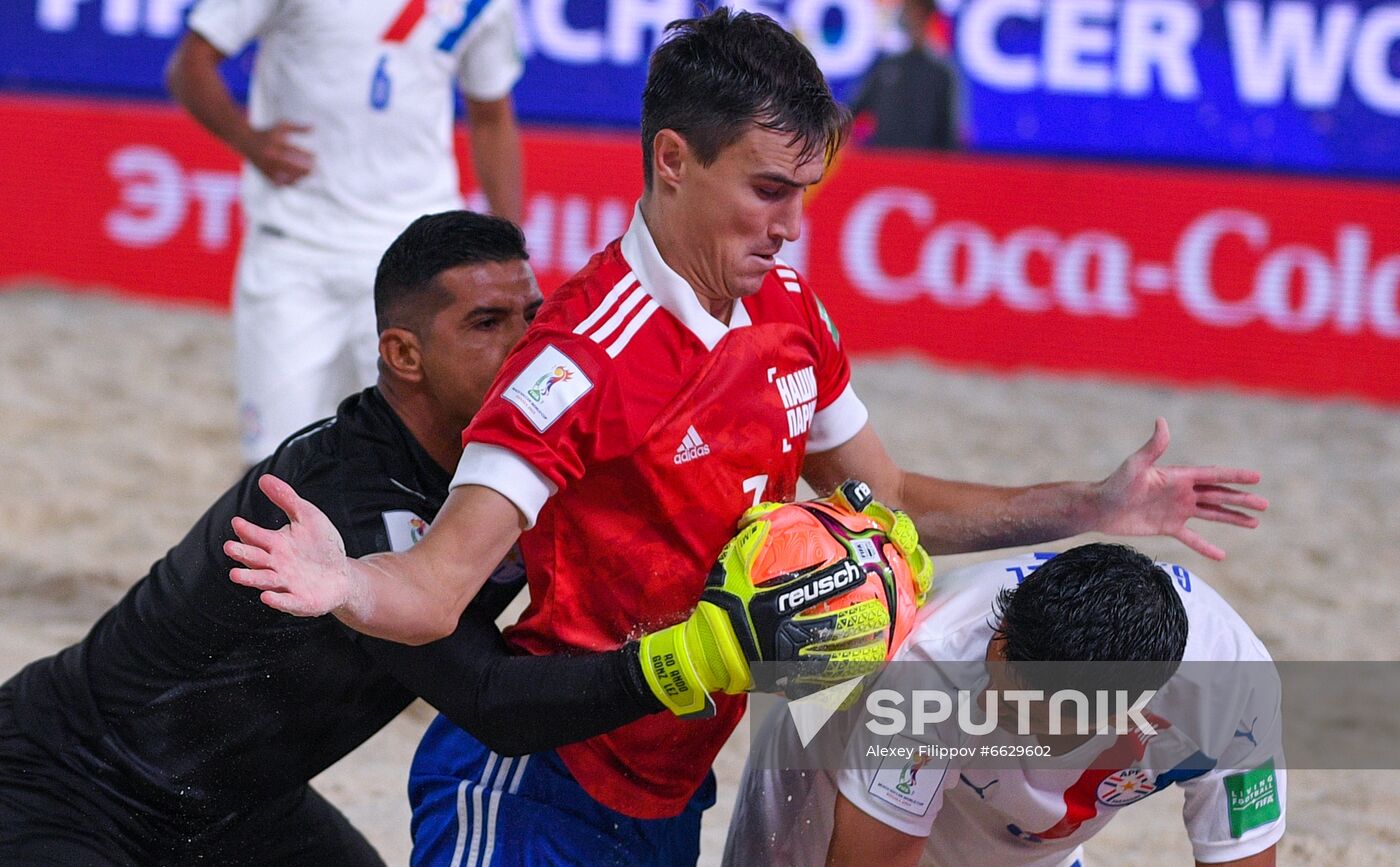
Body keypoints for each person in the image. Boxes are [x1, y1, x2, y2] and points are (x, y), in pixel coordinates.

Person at [225, 9, 1268, 865]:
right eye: (766, 189)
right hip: (537, 785)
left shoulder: (788, 313)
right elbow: (434, 590)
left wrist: (1085, 507)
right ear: (672, 160)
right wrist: (344, 581)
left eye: (802, 194)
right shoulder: (577, 360)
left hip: (672, 789)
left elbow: (887, 498)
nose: (787, 224)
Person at [0, 211, 736, 865]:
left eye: (532, 314)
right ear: (403, 355)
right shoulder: (340, 498)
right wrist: (689, 658)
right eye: (487, 323)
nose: (528, 342)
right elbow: (492, 701)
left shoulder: (518, 464)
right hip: (70, 782)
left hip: (242, 806)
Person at [724, 543, 1285, 867]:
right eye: (1000, 684)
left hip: (1023, 846)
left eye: (1022, 716)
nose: (989, 711)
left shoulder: (1236, 690)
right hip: (829, 787)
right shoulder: (933, 669)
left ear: (1121, 716)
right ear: (1003, 633)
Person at [166, 0, 524, 463]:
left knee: (420, 459)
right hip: (294, 246)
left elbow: (492, 117)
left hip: (418, 259)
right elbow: (188, 66)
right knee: (274, 464)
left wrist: (509, 251)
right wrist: (248, 140)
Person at [850, 0, 961, 151]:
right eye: (909, 12)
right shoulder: (887, 66)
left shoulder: (942, 73)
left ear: (929, 17)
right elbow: (853, 109)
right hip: (883, 162)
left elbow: (948, 133)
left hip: (923, 166)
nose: (912, 18)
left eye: (918, 13)